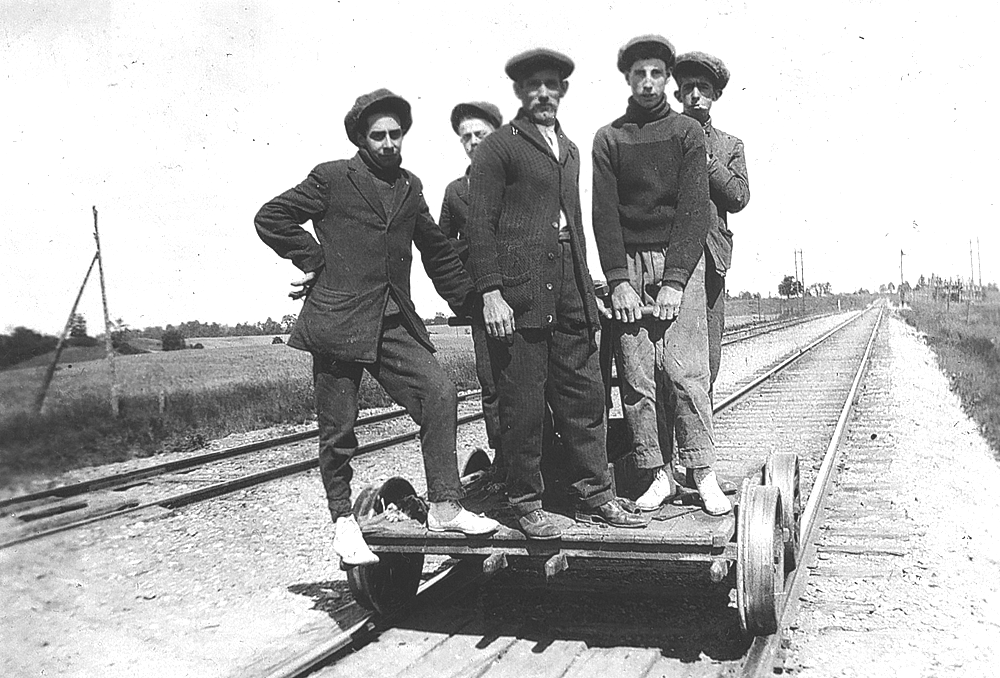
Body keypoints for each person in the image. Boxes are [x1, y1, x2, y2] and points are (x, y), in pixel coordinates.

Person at [255, 88, 500, 568]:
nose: (388, 142)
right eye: (378, 135)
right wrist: (315, 259)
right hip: (339, 321)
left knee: (440, 392)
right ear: (361, 138)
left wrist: (472, 301)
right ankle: (343, 522)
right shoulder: (331, 178)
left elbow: (436, 251)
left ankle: (446, 506)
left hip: (391, 321)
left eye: (395, 134)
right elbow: (271, 217)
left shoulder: (410, 186)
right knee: (338, 429)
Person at [465, 48, 646, 539]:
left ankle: (595, 496)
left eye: (552, 85)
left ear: (563, 91)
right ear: (521, 94)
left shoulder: (568, 149)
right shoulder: (498, 147)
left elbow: (575, 226)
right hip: (521, 295)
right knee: (522, 404)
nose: (543, 94)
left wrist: (591, 293)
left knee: (585, 397)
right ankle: (525, 502)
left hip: (570, 286)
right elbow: (478, 226)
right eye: (533, 86)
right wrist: (491, 293)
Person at [591, 35, 730, 515]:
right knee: (636, 375)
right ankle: (657, 473)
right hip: (628, 265)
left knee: (686, 371)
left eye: (656, 73)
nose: (648, 81)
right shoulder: (609, 138)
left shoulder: (686, 134)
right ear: (628, 78)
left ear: (667, 79)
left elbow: (694, 209)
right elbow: (603, 214)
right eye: (639, 73)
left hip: (679, 261)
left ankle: (703, 470)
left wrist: (674, 280)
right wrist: (618, 281)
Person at [673, 52, 750, 395]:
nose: (694, 95)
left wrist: (704, 160)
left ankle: (699, 439)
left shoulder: (729, 145)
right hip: (671, 264)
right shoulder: (662, 139)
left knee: (710, 357)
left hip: (713, 263)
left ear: (715, 95)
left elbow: (738, 196)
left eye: (703, 88)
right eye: (687, 87)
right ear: (677, 95)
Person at [439, 101, 504, 473]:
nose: (474, 142)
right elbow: (441, 250)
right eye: (467, 137)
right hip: (483, 304)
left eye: (482, 134)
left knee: (536, 385)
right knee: (492, 385)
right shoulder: (455, 192)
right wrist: (464, 298)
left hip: (529, 300)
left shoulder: (521, 182)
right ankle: (502, 460)